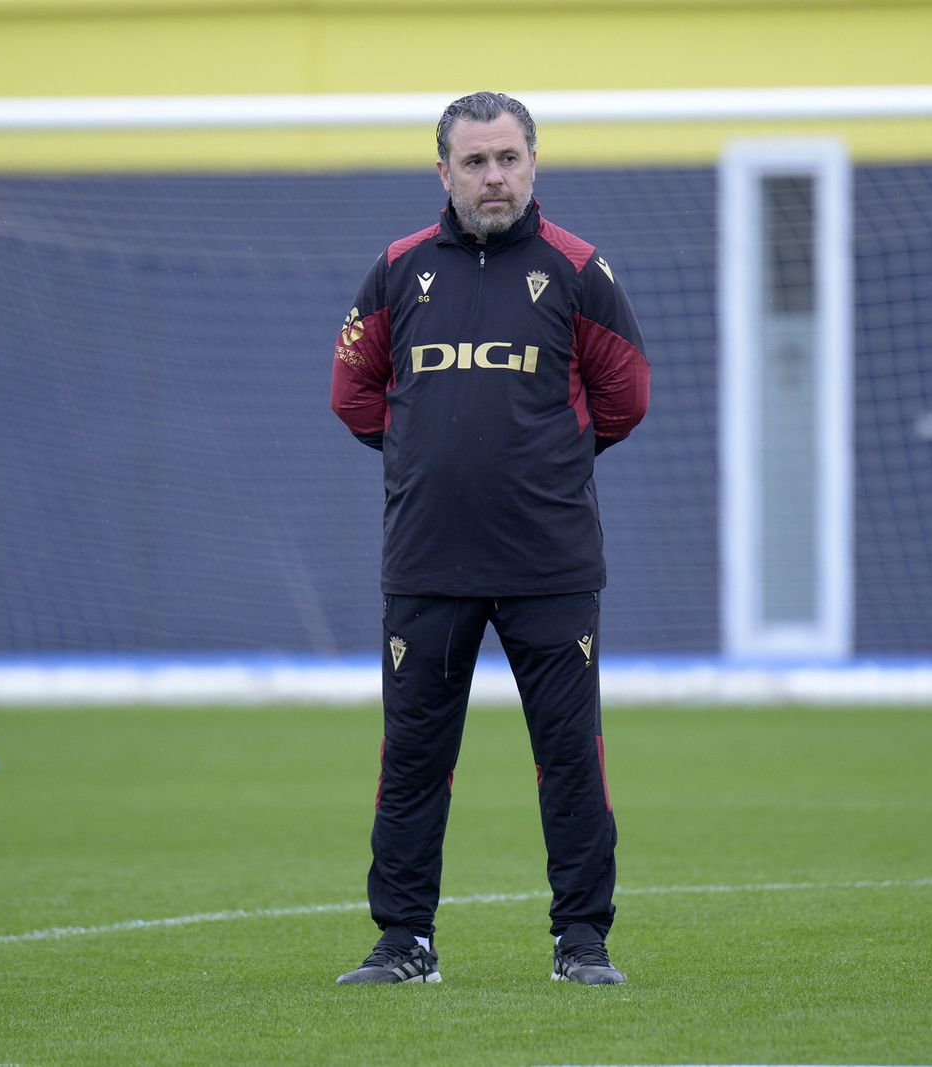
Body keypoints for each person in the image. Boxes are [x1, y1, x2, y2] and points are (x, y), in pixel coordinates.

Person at [329, 90, 650, 986]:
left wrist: (540, 465)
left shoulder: (580, 270)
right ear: (444, 172)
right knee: (414, 760)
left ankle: (581, 942)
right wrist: (428, 458)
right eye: (474, 162)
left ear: (534, 162)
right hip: (427, 563)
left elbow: (626, 396)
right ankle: (403, 943)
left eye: (508, 158)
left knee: (569, 757)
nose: (493, 176)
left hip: (550, 565)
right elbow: (352, 394)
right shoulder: (396, 272)